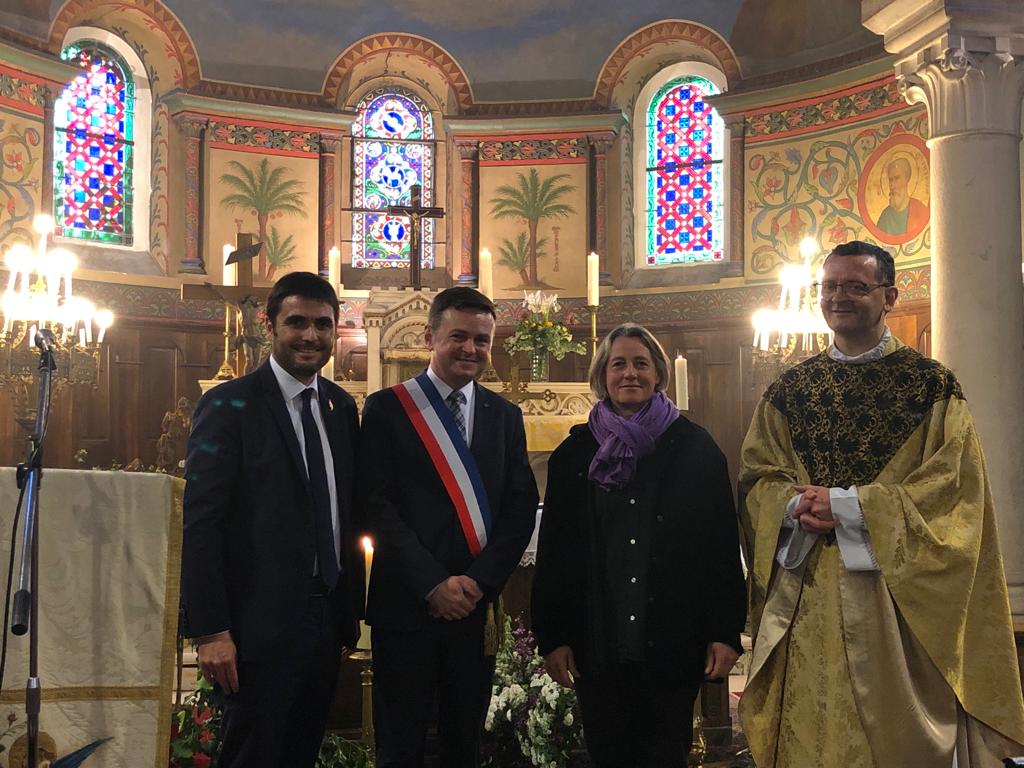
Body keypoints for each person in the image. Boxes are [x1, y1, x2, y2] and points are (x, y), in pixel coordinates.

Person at [738, 240, 1024, 767]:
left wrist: (849, 507)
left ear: (889, 296)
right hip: (807, 601)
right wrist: (791, 505)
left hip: (893, 604)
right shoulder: (790, 389)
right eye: (828, 287)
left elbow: (953, 493)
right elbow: (757, 478)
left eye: (855, 286)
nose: (838, 297)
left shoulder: (930, 386)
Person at [532, 323, 746, 768]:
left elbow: (722, 547)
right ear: (601, 376)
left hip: (673, 636)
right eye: (619, 364)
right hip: (599, 640)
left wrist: (725, 631)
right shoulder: (575, 454)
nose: (630, 373)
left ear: (658, 374)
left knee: (667, 752)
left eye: (641, 363)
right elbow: (555, 553)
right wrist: (554, 636)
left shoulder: (696, 448)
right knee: (607, 751)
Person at [180, 271, 362, 767]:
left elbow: (344, 513)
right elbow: (201, 522)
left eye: (322, 324)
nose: (310, 336)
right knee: (252, 755)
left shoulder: (340, 407)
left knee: (302, 750)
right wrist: (212, 630)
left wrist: (347, 614)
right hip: (253, 627)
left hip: (324, 621)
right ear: (270, 325)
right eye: (296, 322)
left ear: (335, 329)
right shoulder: (228, 404)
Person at [359, 286, 539, 767]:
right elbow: (375, 505)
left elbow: (522, 507)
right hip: (406, 606)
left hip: (473, 612)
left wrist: (477, 584)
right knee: (400, 743)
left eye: (482, 340)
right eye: (457, 336)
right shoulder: (387, 408)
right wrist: (432, 583)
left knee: (464, 742)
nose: (470, 349)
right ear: (429, 336)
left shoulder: (505, 416)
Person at [875, 156, 928, 237]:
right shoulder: (885, 216)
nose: (892, 186)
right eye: (890, 180)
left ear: (907, 179)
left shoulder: (920, 210)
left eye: (897, 178)